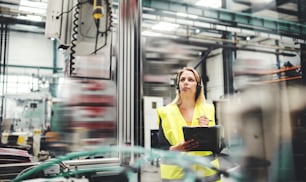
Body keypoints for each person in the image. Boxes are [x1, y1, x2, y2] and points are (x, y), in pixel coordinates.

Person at [157, 67, 221, 182]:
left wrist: (208, 132)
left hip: (206, 174)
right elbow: (159, 146)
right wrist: (173, 149)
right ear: (178, 85)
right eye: (182, 80)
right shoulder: (166, 112)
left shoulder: (209, 110)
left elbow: (221, 145)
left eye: (190, 80)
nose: (186, 82)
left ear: (198, 86)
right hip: (177, 175)